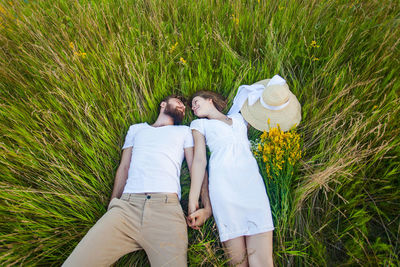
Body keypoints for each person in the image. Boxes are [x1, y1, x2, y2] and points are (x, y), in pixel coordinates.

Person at [63, 95, 212, 267]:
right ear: (163, 104)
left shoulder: (183, 131)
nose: (182, 107)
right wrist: (113, 202)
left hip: (166, 212)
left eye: (184, 107)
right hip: (126, 209)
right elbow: (124, 167)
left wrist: (206, 208)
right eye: (178, 102)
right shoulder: (136, 129)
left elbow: (197, 167)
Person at [187, 91, 275, 267]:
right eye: (192, 106)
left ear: (210, 100)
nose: (193, 106)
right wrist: (193, 199)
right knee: (238, 262)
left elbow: (266, 107)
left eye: (196, 101)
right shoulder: (199, 124)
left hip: (252, 186)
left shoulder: (240, 118)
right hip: (224, 188)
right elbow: (199, 160)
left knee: (263, 262)